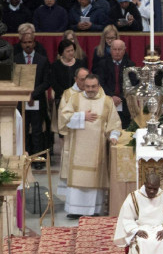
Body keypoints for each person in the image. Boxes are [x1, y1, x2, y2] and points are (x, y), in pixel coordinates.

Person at [59, 73, 121, 217]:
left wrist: (113, 136)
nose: (90, 89)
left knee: (94, 178)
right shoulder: (75, 99)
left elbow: (115, 123)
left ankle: (93, 210)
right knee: (78, 178)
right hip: (78, 149)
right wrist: (82, 116)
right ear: (83, 86)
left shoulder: (107, 101)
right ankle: (75, 210)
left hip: (97, 149)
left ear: (99, 86)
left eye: (93, 86)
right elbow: (64, 118)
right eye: (87, 86)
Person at [15, 34, 52, 164]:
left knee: (37, 131)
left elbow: (47, 82)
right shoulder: (16, 59)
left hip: (37, 101)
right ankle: (24, 159)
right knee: (23, 131)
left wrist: (33, 94)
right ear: (21, 44)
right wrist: (24, 95)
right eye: (25, 42)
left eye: (30, 42)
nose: (28, 45)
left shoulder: (42, 60)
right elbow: (14, 81)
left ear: (34, 43)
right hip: (21, 101)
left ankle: (37, 160)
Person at [95, 38, 134, 128]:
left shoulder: (130, 65)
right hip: (107, 102)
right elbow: (101, 83)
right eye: (114, 49)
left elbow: (132, 84)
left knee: (124, 130)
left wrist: (120, 97)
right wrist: (111, 96)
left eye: (119, 49)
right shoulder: (102, 64)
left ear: (124, 50)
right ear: (110, 50)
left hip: (124, 104)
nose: (117, 52)